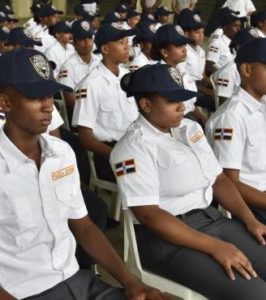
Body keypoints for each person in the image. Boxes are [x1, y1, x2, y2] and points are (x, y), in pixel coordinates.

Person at [0, 47, 167, 300]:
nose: (48, 107)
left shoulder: (61, 153)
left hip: (79, 281)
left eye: (49, 95)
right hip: (26, 293)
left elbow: (84, 227)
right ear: (6, 102)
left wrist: (131, 281)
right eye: (35, 96)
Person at [110, 62, 266, 299]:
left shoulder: (190, 128)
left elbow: (220, 180)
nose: (182, 106)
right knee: (254, 292)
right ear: (146, 105)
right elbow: (149, 215)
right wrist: (215, 247)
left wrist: (249, 219)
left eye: (181, 98)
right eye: (172, 101)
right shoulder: (132, 148)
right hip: (166, 239)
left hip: (212, 219)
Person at [206, 38, 266, 225]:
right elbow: (230, 183)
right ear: (247, 70)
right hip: (254, 203)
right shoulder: (231, 118)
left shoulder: (261, 104)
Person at [72, 23, 138, 183]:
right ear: (105, 49)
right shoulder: (90, 85)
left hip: (135, 144)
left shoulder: (128, 76)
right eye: (121, 43)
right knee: (146, 177)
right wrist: (118, 154)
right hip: (109, 154)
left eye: (127, 42)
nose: (127, 47)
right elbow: (85, 138)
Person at [58, 20, 100, 113]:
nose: (87, 42)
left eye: (89, 37)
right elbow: (70, 102)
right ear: (74, 42)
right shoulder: (67, 67)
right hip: (80, 117)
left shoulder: (100, 62)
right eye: (82, 39)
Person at [206, 7, 242, 76]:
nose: (239, 29)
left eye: (240, 26)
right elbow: (209, 66)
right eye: (235, 26)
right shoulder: (217, 43)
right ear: (225, 27)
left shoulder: (234, 45)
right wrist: (224, 76)